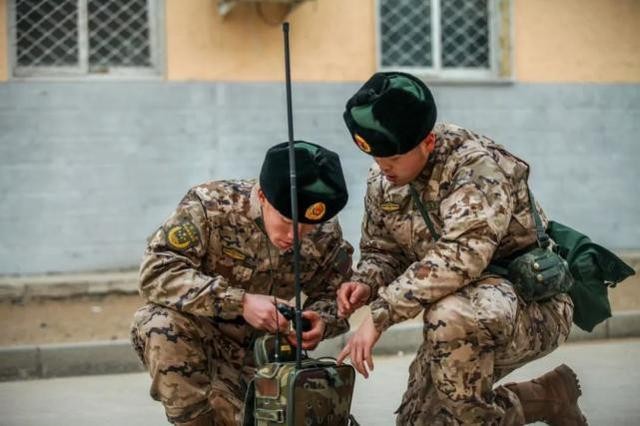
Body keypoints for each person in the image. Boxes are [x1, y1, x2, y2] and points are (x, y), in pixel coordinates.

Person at [336, 72, 586, 425]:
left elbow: (462, 254)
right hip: (459, 315)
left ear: (427, 142)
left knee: (451, 320)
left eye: (392, 157)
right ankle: (549, 397)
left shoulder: (475, 167)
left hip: (527, 307)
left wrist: (380, 315)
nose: (382, 166)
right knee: (423, 420)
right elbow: (384, 251)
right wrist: (365, 282)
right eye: (376, 155)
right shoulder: (384, 181)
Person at [131, 141, 354, 426]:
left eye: (307, 227)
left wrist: (319, 321)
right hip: (201, 348)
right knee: (157, 322)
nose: (296, 235)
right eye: (286, 221)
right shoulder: (212, 206)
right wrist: (241, 302)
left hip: (265, 361)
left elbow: (336, 294)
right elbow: (156, 271)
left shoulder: (324, 231)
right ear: (262, 196)